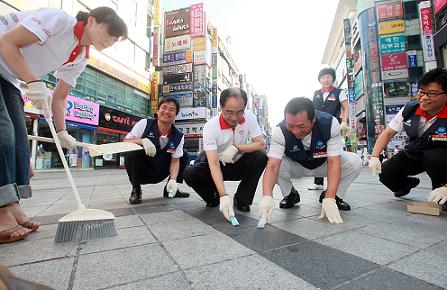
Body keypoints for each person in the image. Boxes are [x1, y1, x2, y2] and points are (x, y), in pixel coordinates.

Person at [0, 7, 127, 243]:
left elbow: (59, 97)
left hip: (9, 78)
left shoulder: (80, 56)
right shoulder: (59, 21)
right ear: (91, 21)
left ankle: (12, 203)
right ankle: (1, 211)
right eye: (110, 33)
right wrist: (33, 80)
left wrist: (61, 132)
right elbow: (6, 41)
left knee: (19, 141)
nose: (112, 40)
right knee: (3, 134)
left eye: (115, 39)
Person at [258, 97, 362, 224]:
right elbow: (273, 166)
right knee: (274, 164)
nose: (295, 131)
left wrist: (330, 197)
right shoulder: (280, 131)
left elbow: (334, 162)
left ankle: (334, 196)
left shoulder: (330, 124)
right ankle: (290, 194)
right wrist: (267, 195)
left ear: (313, 119)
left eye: (301, 126)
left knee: (354, 161)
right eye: (290, 125)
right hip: (297, 165)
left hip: (324, 163)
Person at [184, 88, 267, 221]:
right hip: (216, 165)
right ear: (221, 107)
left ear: (244, 108)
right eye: (229, 112)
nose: (234, 117)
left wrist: (236, 147)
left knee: (260, 157)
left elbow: (261, 144)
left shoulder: (250, 117)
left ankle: (242, 199)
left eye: (239, 112)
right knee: (190, 173)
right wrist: (223, 195)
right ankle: (214, 197)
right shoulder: (211, 126)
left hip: (238, 164)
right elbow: (213, 163)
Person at [369, 68, 447, 206]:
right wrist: (374, 156)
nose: (424, 97)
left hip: (441, 157)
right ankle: (405, 185)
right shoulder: (410, 109)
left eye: (432, 94)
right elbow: (387, 133)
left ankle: (442, 192)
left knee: (434, 157)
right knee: (385, 171)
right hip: (415, 154)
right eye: (422, 92)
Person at [124, 96, 190, 204]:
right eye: (164, 107)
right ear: (158, 111)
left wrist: (173, 179)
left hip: (161, 170)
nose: (167, 111)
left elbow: (175, 160)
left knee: (184, 155)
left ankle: (170, 188)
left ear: (176, 115)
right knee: (132, 153)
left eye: (171, 109)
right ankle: (136, 189)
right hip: (143, 170)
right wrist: (142, 141)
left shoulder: (178, 136)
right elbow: (125, 141)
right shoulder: (144, 124)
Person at [309, 67, 350, 195]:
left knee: (333, 152)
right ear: (319, 80)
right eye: (323, 77)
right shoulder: (316, 93)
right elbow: (310, 109)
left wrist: (344, 122)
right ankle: (318, 182)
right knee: (317, 151)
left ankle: (334, 181)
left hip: (333, 126)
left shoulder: (339, 92)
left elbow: (345, 108)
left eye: (328, 77)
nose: (325, 79)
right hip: (317, 127)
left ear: (332, 78)